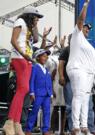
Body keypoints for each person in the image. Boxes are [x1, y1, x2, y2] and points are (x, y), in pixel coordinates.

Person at [3, 6, 43, 135]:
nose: (37, 20)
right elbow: (13, 40)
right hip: (20, 57)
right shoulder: (20, 22)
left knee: (24, 90)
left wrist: (35, 25)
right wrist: (22, 53)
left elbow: (36, 39)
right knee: (23, 89)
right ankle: (9, 122)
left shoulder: (29, 28)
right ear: (29, 16)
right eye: (36, 17)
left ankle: (16, 123)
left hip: (27, 58)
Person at [66, 0, 95, 134]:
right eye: (85, 27)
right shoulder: (76, 35)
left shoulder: (86, 43)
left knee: (85, 98)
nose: (87, 29)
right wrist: (85, 5)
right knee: (78, 96)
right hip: (77, 69)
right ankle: (75, 126)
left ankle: (84, 127)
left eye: (89, 29)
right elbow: (80, 20)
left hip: (88, 73)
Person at [25, 49, 52, 135]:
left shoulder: (47, 69)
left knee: (47, 111)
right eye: (44, 56)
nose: (46, 58)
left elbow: (49, 81)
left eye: (46, 56)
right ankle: (28, 129)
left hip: (47, 94)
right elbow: (31, 81)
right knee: (34, 110)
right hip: (38, 94)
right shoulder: (35, 67)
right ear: (38, 57)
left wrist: (50, 93)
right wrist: (32, 92)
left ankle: (45, 130)